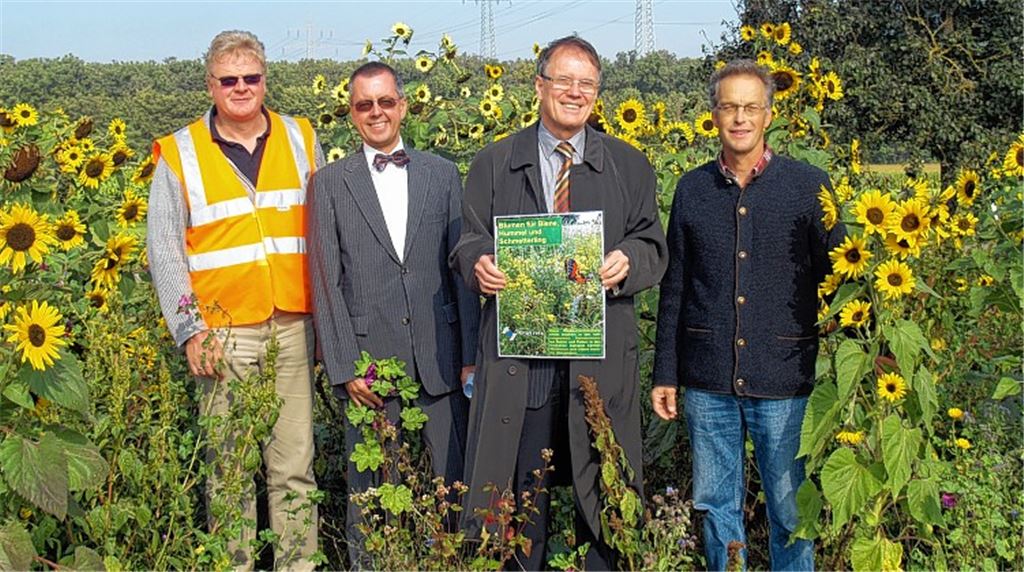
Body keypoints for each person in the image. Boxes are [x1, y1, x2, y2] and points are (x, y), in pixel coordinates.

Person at [450, 36, 667, 570]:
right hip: (523, 369)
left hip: (596, 363)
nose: (575, 92)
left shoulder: (628, 165)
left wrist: (628, 262)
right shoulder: (495, 163)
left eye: (586, 84)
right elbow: (467, 239)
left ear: (597, 93)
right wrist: (479, 262)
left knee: (605, 497)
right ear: (539, 85)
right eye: (563, 80)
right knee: (523, 503)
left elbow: (653, 245)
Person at [652, 59, 843, 571]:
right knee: (717, 508)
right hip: (709, 379)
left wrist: (871, 351)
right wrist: (665, 373)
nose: (740, 118)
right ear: (714, 115)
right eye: (729, 107)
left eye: (751, 107)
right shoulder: (693, 189)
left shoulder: (808, 185)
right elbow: (676, 285)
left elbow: (843, 276)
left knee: (789, 510)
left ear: (769, 115)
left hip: (785, 379)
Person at [147, 30, 321, 571]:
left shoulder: (300, 136)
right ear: (211, 85)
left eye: (252, 77)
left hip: (292, 326)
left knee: (295, 467)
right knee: (228, 471)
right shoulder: (179, 153)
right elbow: (165, 251)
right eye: (229, 80)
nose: (241, 88)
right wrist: (190, 330)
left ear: (265, 80)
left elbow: (324, 228)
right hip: (221, 335)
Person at [307, 61, 480, 567]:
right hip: (369, 369)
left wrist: (469, 356)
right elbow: (325, 280)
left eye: (386, 101)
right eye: (365, 105)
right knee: (373, 500)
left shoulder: (444, 173)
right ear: (351, 114)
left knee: (453, 488)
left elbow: (462, 272)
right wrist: (344, 367)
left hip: (442, 360)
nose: (377, 112)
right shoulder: (328, 184)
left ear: (403, 106)